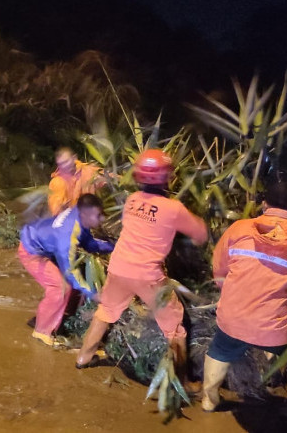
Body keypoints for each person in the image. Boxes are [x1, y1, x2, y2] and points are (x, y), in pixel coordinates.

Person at [75, 149, 208, 379]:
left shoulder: (132, 200)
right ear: (167, 177)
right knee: (174, 326)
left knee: (105, 311)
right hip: (147, 275)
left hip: (118, 267)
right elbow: (200, 234)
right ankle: (181, 382)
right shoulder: (173, 208)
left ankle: (83, 357)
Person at [202, 181, 287, 412]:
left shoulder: (239, 228)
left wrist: (233, 296)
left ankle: (209, 400)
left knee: (220, 350)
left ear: (264, 204)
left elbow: (219, 269)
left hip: (233, 319)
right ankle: (278, 376)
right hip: (276, 329)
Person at [18, 193, 114, 346]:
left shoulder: (79, 215)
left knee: (70, 287)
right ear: (85, 214)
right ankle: (42, 331)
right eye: (98, 216)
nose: (102, 219)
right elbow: (70, 271)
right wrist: (92, 293)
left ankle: (61, 317)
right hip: (32, 252)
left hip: (44, 242)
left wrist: (113, 246)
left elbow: (88, 243)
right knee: (60, 287)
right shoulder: (67, 237)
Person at [48, 148, 105, 216]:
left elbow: (112, 180)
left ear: (74, 158)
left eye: (66, 162)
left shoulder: (88, 170)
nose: (64, 166)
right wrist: (62, 207)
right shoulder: (57, 182)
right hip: (71, 220)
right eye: (60, 164)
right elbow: (55, 210)